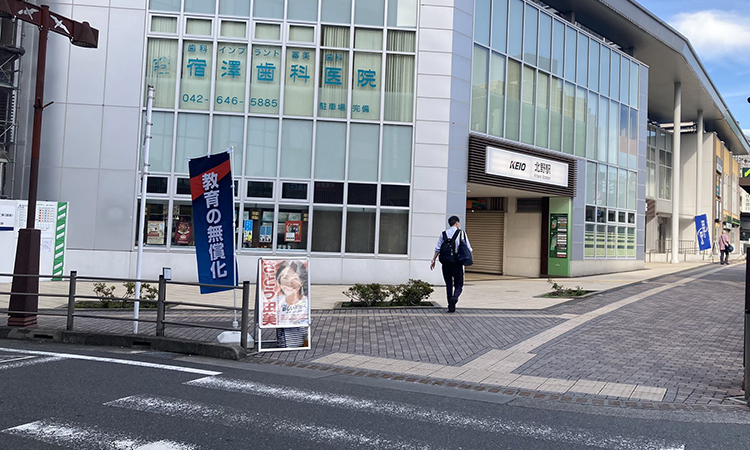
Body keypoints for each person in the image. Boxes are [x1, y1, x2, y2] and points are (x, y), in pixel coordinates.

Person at [430, 215, 472, 313]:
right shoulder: (461, 233)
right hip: (457, 263)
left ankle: (450, 306)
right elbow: (468, 248)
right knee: (459, 284)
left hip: (445, 264)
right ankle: (455, 298)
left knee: (448, 284)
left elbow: (437, 249)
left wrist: (433, 261)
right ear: (457, 223)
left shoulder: (443, 234)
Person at [275, 260, 309, 347]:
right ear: (279, 280)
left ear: (301, 281)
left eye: (294, 278)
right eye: (285, 278)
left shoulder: (305, 302)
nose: (289, 283)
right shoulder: (275, 302)